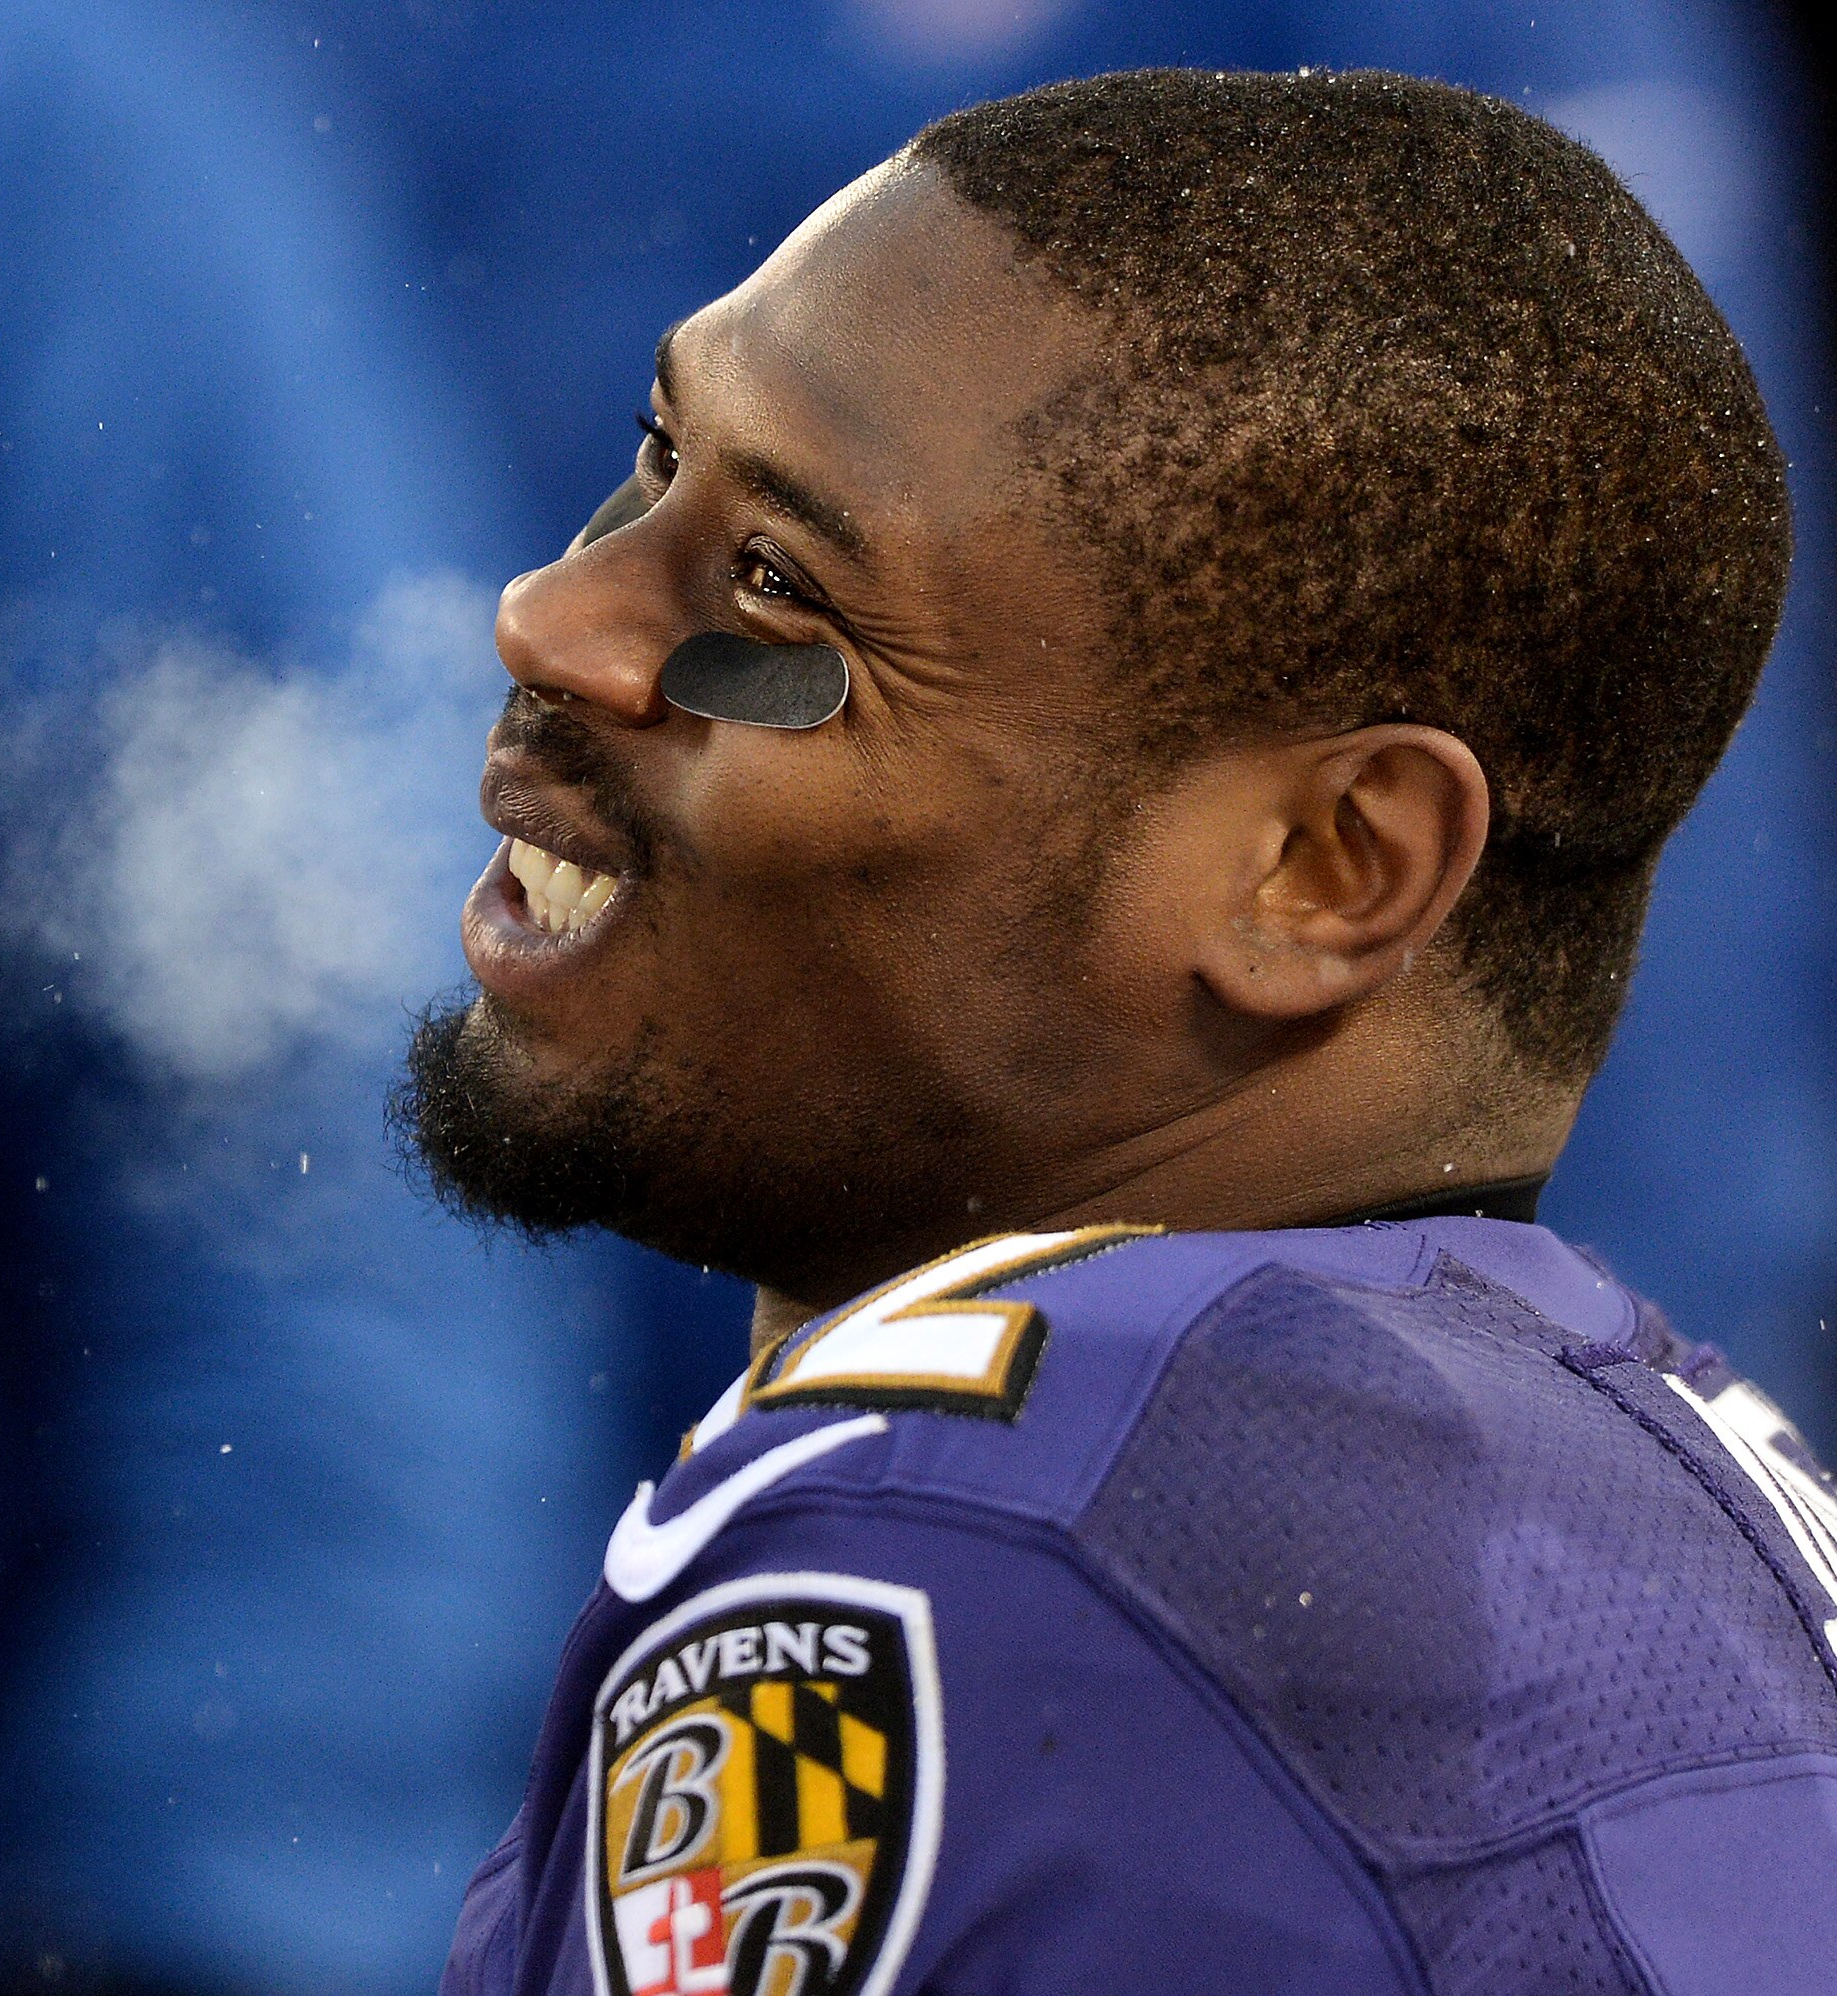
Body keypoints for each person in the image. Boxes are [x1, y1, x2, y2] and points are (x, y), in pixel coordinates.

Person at [402, 68, 1837, 1996]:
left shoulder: (961, 1547)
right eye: (658, 462)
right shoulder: (1651, 1476)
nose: (557, 616)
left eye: (777, 588)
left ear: (1325, 866)